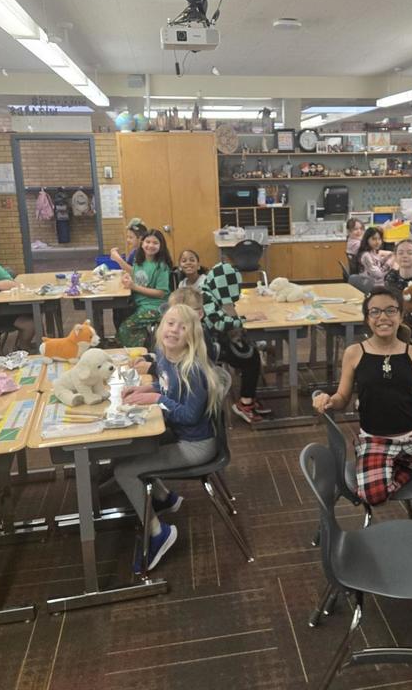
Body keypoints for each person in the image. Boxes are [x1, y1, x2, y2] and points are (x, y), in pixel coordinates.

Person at [113, 304, 222, 571]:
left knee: (124, 471)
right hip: (179, 435)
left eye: (182, 327)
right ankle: (163, 498)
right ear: (161, 327)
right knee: (125, 445)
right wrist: (144, 387)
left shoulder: (193, 369)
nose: (174, 330)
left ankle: (158, 533)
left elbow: (189, 416)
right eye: (170, 323)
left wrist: (156, 399)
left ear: (192, 336)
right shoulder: (165, 357)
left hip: (196, 445)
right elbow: (166, 386)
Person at [312, 287, 412, 506]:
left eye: (390, 310)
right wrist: (328, 399)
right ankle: (399, 465)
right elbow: (342, 397)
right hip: (375, 441)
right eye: (375, 312)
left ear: (401, 316)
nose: (383, 317)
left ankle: (396, 464)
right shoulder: (355, 352)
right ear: (367, 319)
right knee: (373, 495)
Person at [201, 262, 272, 424]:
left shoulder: (207, 290)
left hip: (215, 339)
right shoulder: (204, 297)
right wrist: (245, 319)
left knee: (251, 351)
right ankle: (245, 404)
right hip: (210, 345)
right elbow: (219, 323)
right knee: (251, 357)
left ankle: (250, 398)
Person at [116, 229, 173, 348]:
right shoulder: (140, 261)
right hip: (141, 304)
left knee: (125, 328)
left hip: (155, 307)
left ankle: (138, 354)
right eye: (148, 242)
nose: (150, 245)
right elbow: (137, 274)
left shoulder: (161, 266)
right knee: (119, 315)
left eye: (155, 243)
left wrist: (134, 286)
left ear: (161, 246)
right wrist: (128, 277)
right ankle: (145, 347)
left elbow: (161, 293)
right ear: (142, 243)